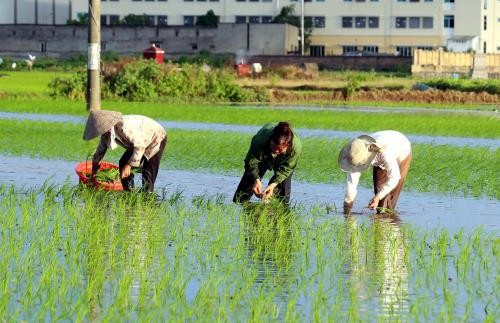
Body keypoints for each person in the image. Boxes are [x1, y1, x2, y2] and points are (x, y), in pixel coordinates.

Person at [83, 109, 167, 192]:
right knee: (123, 163)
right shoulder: (106, 134)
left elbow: (140, 147)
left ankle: (147, 196)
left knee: (148, 173)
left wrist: (129, 165)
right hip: (139, 142)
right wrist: (93, 175)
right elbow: (99, 153)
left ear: (108, 127)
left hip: (156, 138)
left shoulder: (125, 127)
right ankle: (129, 193)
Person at [338, 130, 412, 214]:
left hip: (402, 150)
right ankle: (381, 219)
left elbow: (395, 177)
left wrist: (378, 197)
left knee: (391, 194)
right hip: (382, 150)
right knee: (379, 188)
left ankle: (388, 219)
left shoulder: (385, 153)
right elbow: (352, 182)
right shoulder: (356, 151)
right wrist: (348, 205)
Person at [233, 121, 302, 204]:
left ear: (287, 146)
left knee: (283, 193)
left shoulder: (295, 148)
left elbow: (287, 169)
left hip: (284, 159)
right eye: (274, 146)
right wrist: (256, 180)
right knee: (244, 190)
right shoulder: (260, 140)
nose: (276, 151)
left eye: (280, 149)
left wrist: (273, 185)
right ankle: (241, 204)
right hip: (264, 152)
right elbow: (251, 163)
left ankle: (279, 210)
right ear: (271, 140)